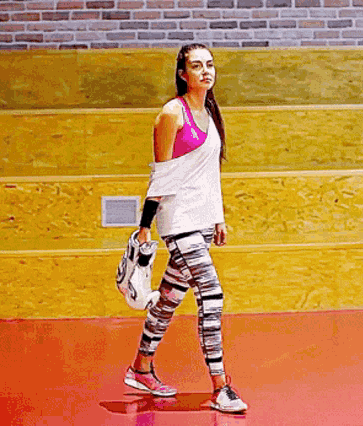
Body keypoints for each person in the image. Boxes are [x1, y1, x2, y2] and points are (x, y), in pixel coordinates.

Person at [123, 43, 248, 414]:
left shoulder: (209, 113)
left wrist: (218, 217)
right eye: (196, 66)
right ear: (182, 74)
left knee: (169, 299)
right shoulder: (171, 113)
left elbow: (210, 174)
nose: (205, 71)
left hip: (203, 221)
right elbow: (161, 174)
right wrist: (144, 227)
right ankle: (220, 387)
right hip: (178, 222)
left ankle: (140, 368)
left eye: (210, 64)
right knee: (212, 294)